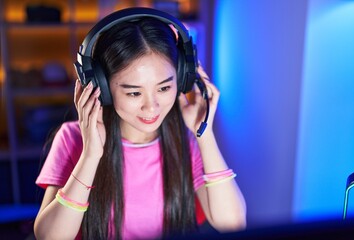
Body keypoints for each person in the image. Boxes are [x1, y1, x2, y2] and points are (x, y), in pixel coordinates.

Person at [33, 7, 246, 240]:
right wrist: (91, 155)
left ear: (183, 77)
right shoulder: (72, 138)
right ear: (102, 88)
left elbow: (232, 224)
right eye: (134, 93)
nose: (152, 107)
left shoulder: (185, 140)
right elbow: (49, 237)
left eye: (164, 88)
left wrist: (203, 134)